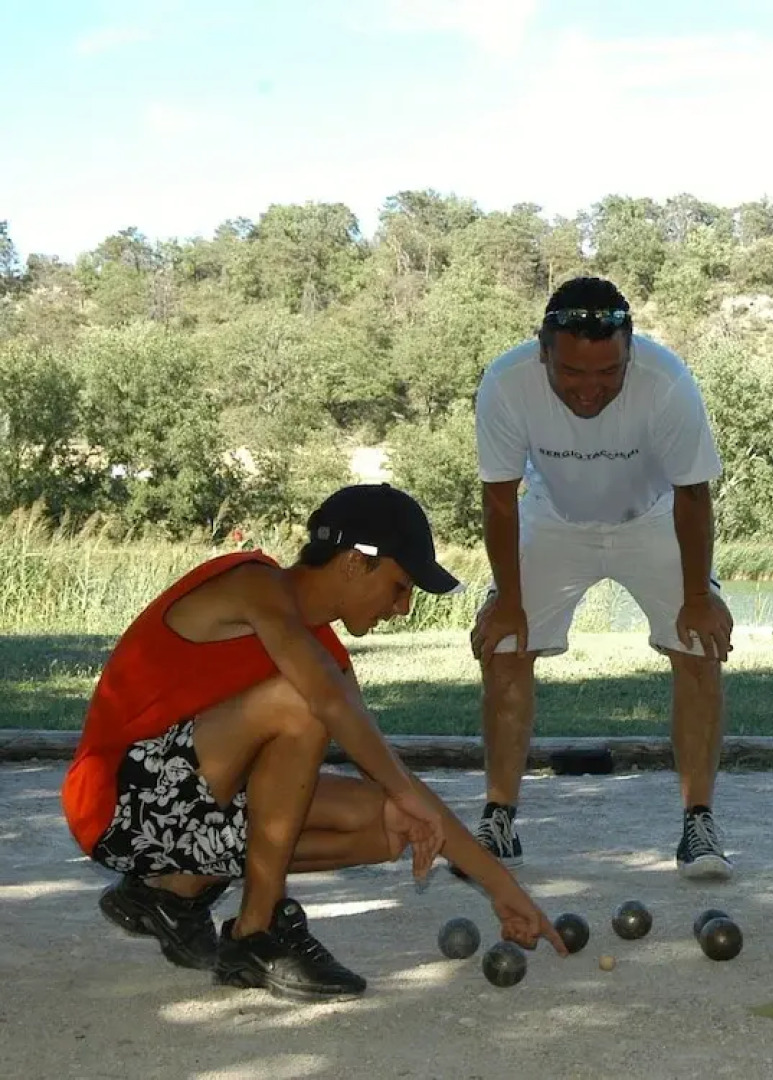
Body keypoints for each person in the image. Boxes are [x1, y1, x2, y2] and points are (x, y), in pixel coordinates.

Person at [60, 484, 565, 1001]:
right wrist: (404, 791)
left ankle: (174, 891)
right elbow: (323, 702)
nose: (403, 608)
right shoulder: (254, 584)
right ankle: (255, 934)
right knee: (299, 703)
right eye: (399, 586)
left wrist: (502, 888)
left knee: (392, 824)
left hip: (183, 813)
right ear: (353, 562)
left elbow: (397, 779)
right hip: (115, 804)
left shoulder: (324, 656)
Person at [465, 275, 734, 880]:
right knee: (504, 645)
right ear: (543, 353)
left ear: (629, 353)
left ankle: (699, 821)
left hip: (655, 517)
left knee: (698, 645)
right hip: (552, 517)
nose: (590, 390)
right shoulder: (506, 384)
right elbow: (500, 501)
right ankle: (499, 818)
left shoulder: (668, 384)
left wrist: (696, 598)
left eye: (607, 373)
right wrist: (508, 600)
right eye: (572, 374)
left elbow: (694, 494)